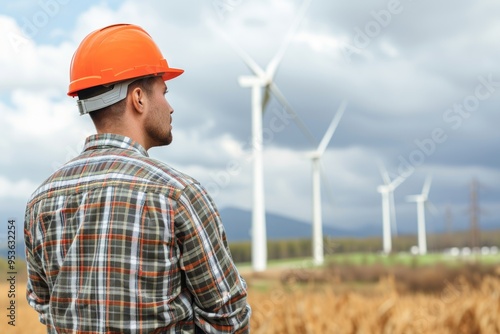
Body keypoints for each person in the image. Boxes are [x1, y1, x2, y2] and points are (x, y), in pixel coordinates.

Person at [24, 23, 251, 333]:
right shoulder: (177, 194)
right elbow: (230, 319)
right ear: (139, 98)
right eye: (164, 92)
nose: (170, 107)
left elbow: (43, 305)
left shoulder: (40, 200)